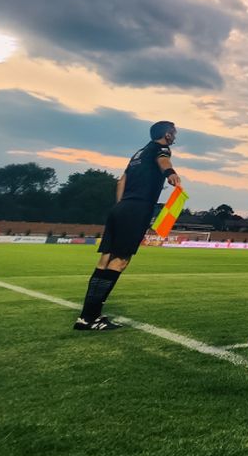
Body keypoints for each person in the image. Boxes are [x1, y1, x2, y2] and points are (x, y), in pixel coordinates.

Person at [74, 121, 182, 331]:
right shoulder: (162, 149)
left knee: (105, 260)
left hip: (121, 208)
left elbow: (121, 181)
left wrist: (121, 206)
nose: (174, 137)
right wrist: (171, 173)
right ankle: (91, 318)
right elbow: (163, 160)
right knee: (120, 261)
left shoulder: (138, 154)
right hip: (137, 209)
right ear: (167, 135)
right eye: (174, 133)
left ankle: (86, 317)